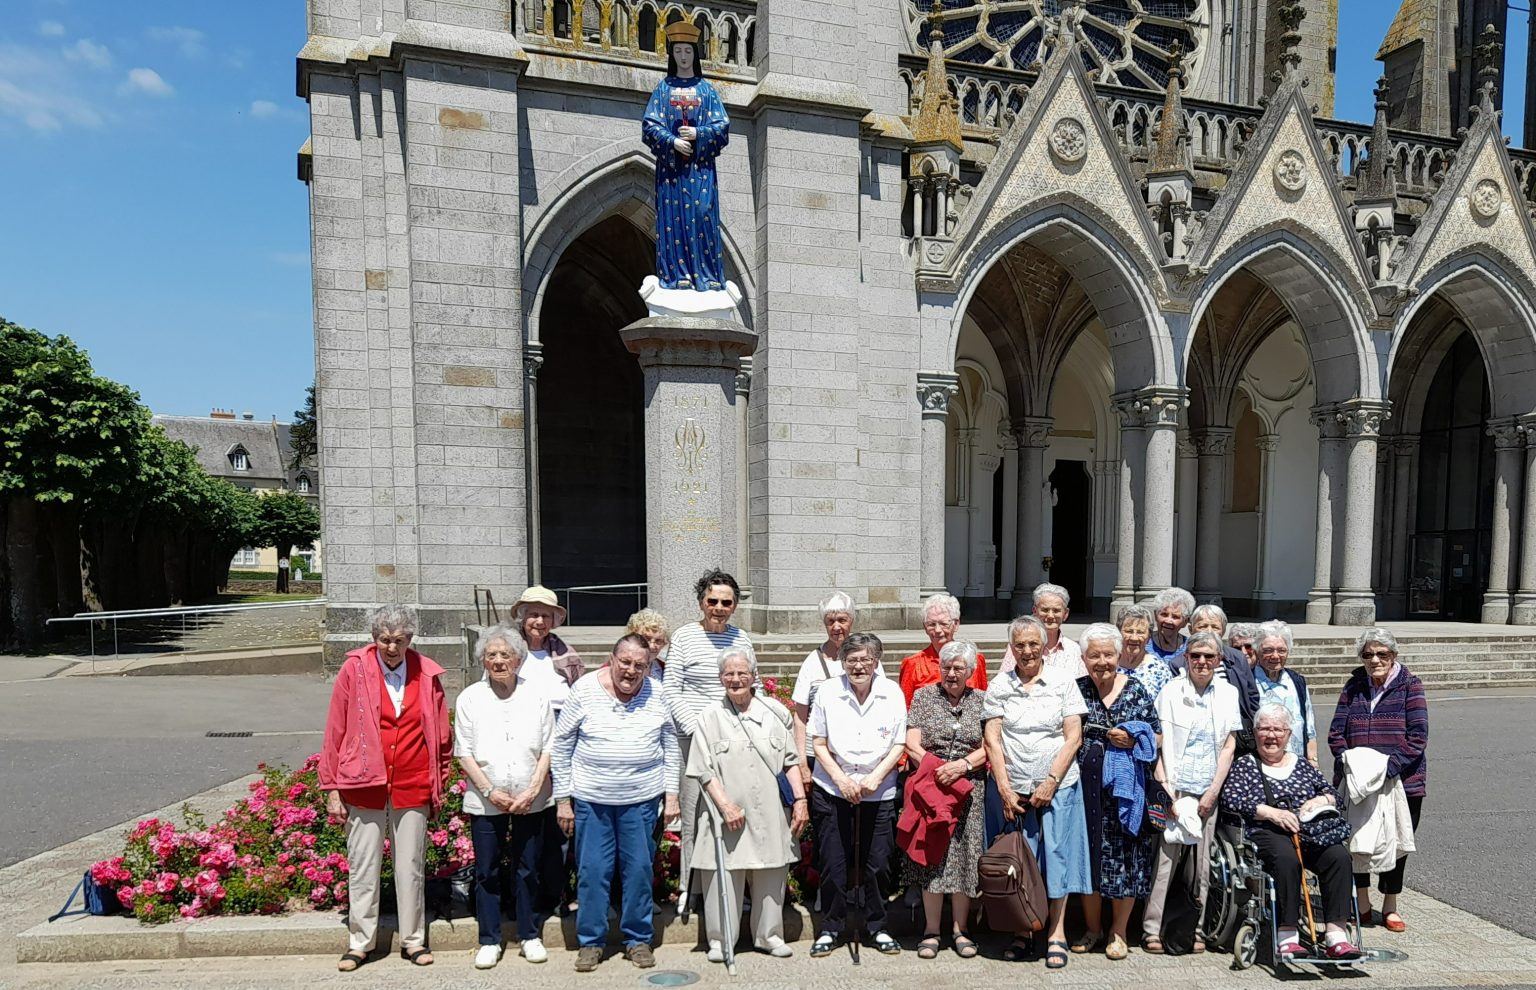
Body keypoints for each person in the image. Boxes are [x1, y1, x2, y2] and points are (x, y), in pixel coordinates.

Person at [320, 605, 452, 972]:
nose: (391, 647)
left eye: (399, 640)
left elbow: (441, 735)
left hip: (412, 781)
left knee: (409, 866)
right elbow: (335, 728)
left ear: (411, 639)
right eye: (384, 640)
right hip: (363, 781)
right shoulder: (355, 669)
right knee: (363, 865)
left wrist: (438, 783)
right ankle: (360, 942)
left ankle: (413, 941)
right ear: (373, 638)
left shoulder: (426, 673)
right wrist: (331, 786)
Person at [551, 635, 681, 972]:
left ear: (649, 666)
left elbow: (670, 747)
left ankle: (637, 939)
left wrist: (672, 795)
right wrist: (563, 799)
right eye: (625, 662)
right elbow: (562, 746)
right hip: (593, 801)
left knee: (638, 871)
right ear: (612, 659)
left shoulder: (658, 693)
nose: (631, 670)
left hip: (641, 800)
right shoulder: (584, 690)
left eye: (640, 665)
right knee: (593, 872)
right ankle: (590, 943)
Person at [982, 617, 1091, 968]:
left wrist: (1050, 781)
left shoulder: (1063, 682)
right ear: (1011, 648)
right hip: (1015, 789)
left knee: (1057, 857)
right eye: (1019, 645)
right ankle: (1022, 929)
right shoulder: (1000, 685)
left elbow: (1073, 736)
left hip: (1058, 787)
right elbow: (992, 740)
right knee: (1020, 862)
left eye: (1033, 644)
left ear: (1044, 646)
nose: (1026, 651)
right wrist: (1003, 786)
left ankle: (1056, 932)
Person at [688, 647, 809, 962]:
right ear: (720, 678)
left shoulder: (775, 712)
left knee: (772, 871)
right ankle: (720, 940)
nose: (735, 679)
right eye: (728, 673)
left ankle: (769, 936)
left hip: (769, 809)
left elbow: (790, 762)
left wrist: (799, 800)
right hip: (724, 810)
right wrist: (726, 805)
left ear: (754, 676)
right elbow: (703, 770)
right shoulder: (708, 717)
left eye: (742, 673)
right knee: (722, 874)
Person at [1221, 704, 1360, 959]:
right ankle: (1287, 934)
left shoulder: (1301, 764)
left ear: (1288, 734)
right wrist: (1270, 812)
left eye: (1278, 729)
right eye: (1265, 729)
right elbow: (1230, 800)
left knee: (1338, 857)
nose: (1271, 735)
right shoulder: (1246, 765)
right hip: (1266, 831)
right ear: (1255, 732)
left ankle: (1336, 935)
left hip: (1309, 831)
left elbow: (1334, 797)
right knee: (1286, 859)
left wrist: (1320, 801)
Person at [454, 624, 555, 968]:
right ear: (482, 659)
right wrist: (489, 791)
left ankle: (529, 934)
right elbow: (463, 751)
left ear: (518, 658)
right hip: (485, 799)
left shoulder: (536, 695)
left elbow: (548, 748)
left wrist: (532, 790)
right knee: (487, 871)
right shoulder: (470, 697)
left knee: (528, 869)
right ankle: (489, 938)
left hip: (532, 797)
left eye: (505, 654)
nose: (498, 661)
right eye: (491, 655)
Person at [1141, 631, 1241, 954]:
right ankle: (1151, 929)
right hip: (1176, 787)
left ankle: (1194, 927)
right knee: (1165, 861)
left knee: (1201, 866)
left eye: (1208, 657)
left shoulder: (1228, 694)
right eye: (1195, 655)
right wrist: (1166, 789)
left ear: (1218, 661)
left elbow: (1229, 746)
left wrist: (1213, 792)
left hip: (1206, 790)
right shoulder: (1170, 691)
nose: (1201, 662)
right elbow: (1157, 743)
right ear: (1186, 658)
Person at [808, 633, 907, 958]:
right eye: (852, 660)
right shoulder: (828, 691)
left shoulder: (891, 692)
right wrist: (843, 781)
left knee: (878, 865)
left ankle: (878, 927)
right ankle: (831, 928)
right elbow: (818, 743)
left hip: (879, 791)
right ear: (843, 662)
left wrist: (875, 778)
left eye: (865, 659)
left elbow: (898, 743)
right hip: (833, 789)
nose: (859, 665)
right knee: (834, 865)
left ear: (876, 662)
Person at [1328, 627, 1428, 933]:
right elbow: (1336, 733)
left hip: (1400, 781)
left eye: (1382, 654)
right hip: (1357, 784)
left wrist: (1388, 768)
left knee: (1395, 842)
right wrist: (1352, 764)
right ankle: (1362, 903)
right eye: (1368, 654)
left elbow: (1418, 736)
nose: (1375, 660)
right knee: (1358, 843)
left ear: (1393, 656)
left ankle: (1391, 905)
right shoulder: (1354, 685)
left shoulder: (1411, 686)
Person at [665, 569, 754, 907]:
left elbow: (748, 686)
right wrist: (696, 728)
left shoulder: (741, 639)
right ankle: (691, 887)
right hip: (692, 739)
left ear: (734, 606)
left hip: (730, 738)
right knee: (693, 815)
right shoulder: (685, 637)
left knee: (731, 811)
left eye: (726, 602)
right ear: (701, 602)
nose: (719, 607)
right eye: (712, 600)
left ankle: (732, 886)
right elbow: (672, 690)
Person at [1073, 623, 1161, 961]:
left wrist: (1133, 738)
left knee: (1125, 860)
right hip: (1085, 790)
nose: (1102, 661)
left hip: (1127, 792)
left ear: (1119, 655)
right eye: (1094, 655)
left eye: (1108, 654)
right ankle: (1093, 929)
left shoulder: (1135, 689)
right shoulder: (1077, 690)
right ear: (1084, 658)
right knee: (1091, 858)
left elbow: (1157, 736)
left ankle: (1119, 932)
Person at [903, 641, 988, 960]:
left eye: (958, 668)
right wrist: (940, 769)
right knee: (932, 857)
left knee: (965, 856)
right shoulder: (924, 696)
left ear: (971, 671)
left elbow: (991, 744)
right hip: (932, 787)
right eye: (946, 667)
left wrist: (962, 766)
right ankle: (931, 931)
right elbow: (911, 743)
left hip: (969, 789)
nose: (951, 673)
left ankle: (960, 930)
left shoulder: (982, 700)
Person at [640, 21, 729, 292]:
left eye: (688, 51)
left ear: (695, 54)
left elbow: (722, 127)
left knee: (703, 214)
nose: (683, 56)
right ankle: (679, 276)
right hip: (673, 173)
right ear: (672, 54)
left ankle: (707, 274)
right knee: (673, 220)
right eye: (678, 51)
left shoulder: (706, 91)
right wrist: (673, 142)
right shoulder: (664, 89)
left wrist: (699, 135)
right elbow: (650, 126)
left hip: (700, 171)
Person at [791, 591, 855, 786]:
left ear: (851, 621)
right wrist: (802, 763)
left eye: (842, 620)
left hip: (856, 757)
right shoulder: (812, 662)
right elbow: (800, 717)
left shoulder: (866, 658)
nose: (836, 627)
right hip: (817, 755)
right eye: (830, 621)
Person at [899, 593, 987, 708]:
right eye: (931, 624)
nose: (937, 630)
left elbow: (983, 701)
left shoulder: (975, 659)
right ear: (925, 627)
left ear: (956, 624)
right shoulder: (913, 664)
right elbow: (905, 708)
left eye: (943, 624)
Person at [513, 585, 585, 714]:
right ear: (523, 618)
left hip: (562, 717)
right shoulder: (507, 649)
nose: (540, 621)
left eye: (545, 616)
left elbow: (581, 689)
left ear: (553, 622)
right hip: (521, 714)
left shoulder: (566, 653)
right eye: (534, 615)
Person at [1253, 621, 1317, 764]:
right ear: (1257, 651)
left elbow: (1309, 728)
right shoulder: (1247, 682)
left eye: (1281, 650)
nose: (1275, 656)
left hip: (1296, 763)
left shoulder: (1297, 681)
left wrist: (1312, 760)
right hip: (1260, 764)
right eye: (1268, 650)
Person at [1189, 604, 1260, 724]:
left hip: (1234, 726)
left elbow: (1251, 695)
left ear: (1223, 630)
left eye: (1215, 627)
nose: (1209, 631)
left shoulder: (1238, 658)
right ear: (1191, 629)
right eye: (1203, 626)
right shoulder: (1179, 662)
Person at [1114, 604, 1174, 698]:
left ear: (1149, 636)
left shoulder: (1159, 670)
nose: (1134, 638)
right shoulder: (1108, 664)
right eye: (1129, 631)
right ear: (1118, 633)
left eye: (1140, 632)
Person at [1033, 583, 1086, 678]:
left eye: (1056, 611)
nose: (1050, 616)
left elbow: (1083, 687)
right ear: (1035, 611)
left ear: (1065, 614)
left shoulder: (1076, 651)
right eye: (1045, 610)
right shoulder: (1020, 647)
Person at [1147, 587, 1194, 668]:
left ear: (1186, 621)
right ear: (1155, 615)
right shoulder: (1144, 643)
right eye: (1164, 615)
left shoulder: (1190, 648)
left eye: (1175, 617)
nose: (1168, 621)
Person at [626, 608, 671, 681]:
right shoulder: (616, 668)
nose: (652, 646)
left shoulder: (666, 671)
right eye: (646, 639)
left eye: (658, 641)